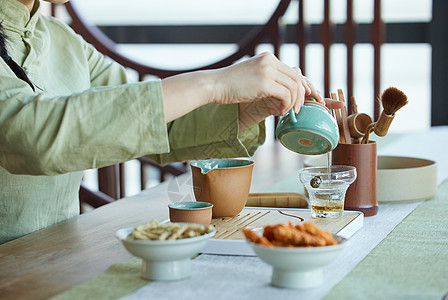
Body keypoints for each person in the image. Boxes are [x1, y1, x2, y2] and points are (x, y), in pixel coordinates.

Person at [0, 0, 343, 244]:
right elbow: (29, 135)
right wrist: (215, 83)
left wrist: (248, 109)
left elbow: (156, 122)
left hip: (56, 257)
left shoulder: (64, 41)